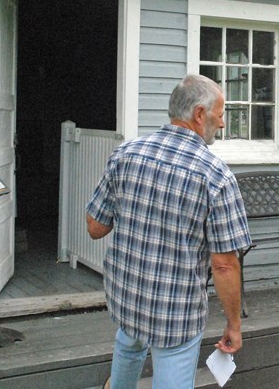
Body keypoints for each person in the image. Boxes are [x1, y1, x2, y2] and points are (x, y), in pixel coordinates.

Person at [86, 74, 252, 389]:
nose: (222, 123)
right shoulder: (215, 176)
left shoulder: (126, 153)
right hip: (176, 310)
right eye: (220, 113)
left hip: (127, 295)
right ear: (200, 115)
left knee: (129, 342)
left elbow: (95, 227)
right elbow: (224, 264)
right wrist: (233, 324)